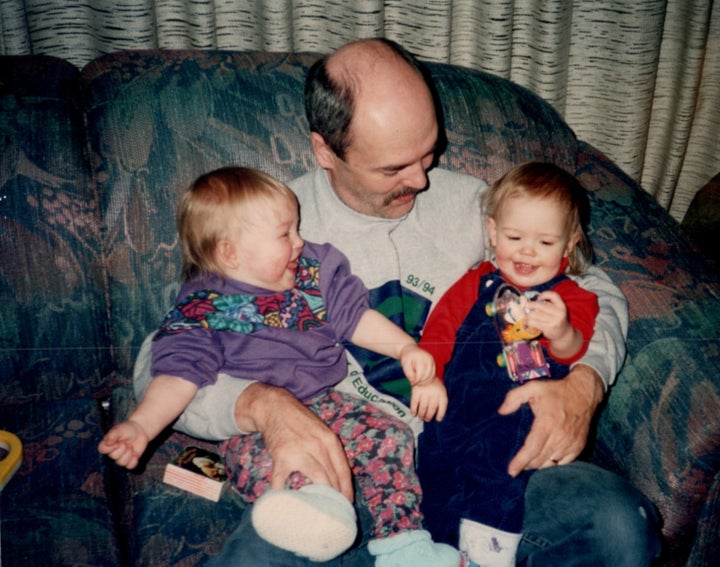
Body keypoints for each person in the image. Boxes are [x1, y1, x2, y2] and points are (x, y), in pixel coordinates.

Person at [133, 38, 661, 566]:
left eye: (428, 153)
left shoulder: (472, 204)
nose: (422, 179)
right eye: (393, 169)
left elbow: (595, 287)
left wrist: (585, 382)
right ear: (325, 151)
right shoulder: (272, 230)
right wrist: (262, 405)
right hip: (344, 478)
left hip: (479, 458)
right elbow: (161, 355)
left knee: (615, 525)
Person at [101, 166, 455, 565]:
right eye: (285, 234)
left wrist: (406, 349)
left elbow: (354, 318)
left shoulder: (312, 276)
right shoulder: (205, 309)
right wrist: (141, 426)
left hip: (329, 402)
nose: (300, 242)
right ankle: (314, 512)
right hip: (255, 430)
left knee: (392, 437)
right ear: (229, 253)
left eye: (298, 229)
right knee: (273, 468)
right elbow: (179, 373)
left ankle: (404, 544)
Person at [417, 162, 601, 566]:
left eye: (546, 243)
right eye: (514, 237)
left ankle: (488, 549)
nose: (527, 251)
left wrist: (561, 330)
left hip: (517, 407)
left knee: (499, 467)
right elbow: (440, 330)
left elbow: (574, 351)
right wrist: (427, 377)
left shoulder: (574, 298)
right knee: (434, 461)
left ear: (569, 246)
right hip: (456, 401)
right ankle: (437, 545)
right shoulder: (474, 282)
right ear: (493, 231)